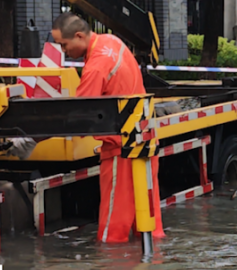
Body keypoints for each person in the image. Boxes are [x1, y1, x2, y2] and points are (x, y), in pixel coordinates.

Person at [50, 12, 160, 243]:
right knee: (148, 221)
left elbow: (79, 117)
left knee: (114, 229)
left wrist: (35, 137)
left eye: (64, 45)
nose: (63, 52)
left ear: (79, 36)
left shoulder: (96, 68)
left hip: (120, 149)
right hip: (144, 141)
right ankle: (151, 269)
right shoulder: (113, 42)